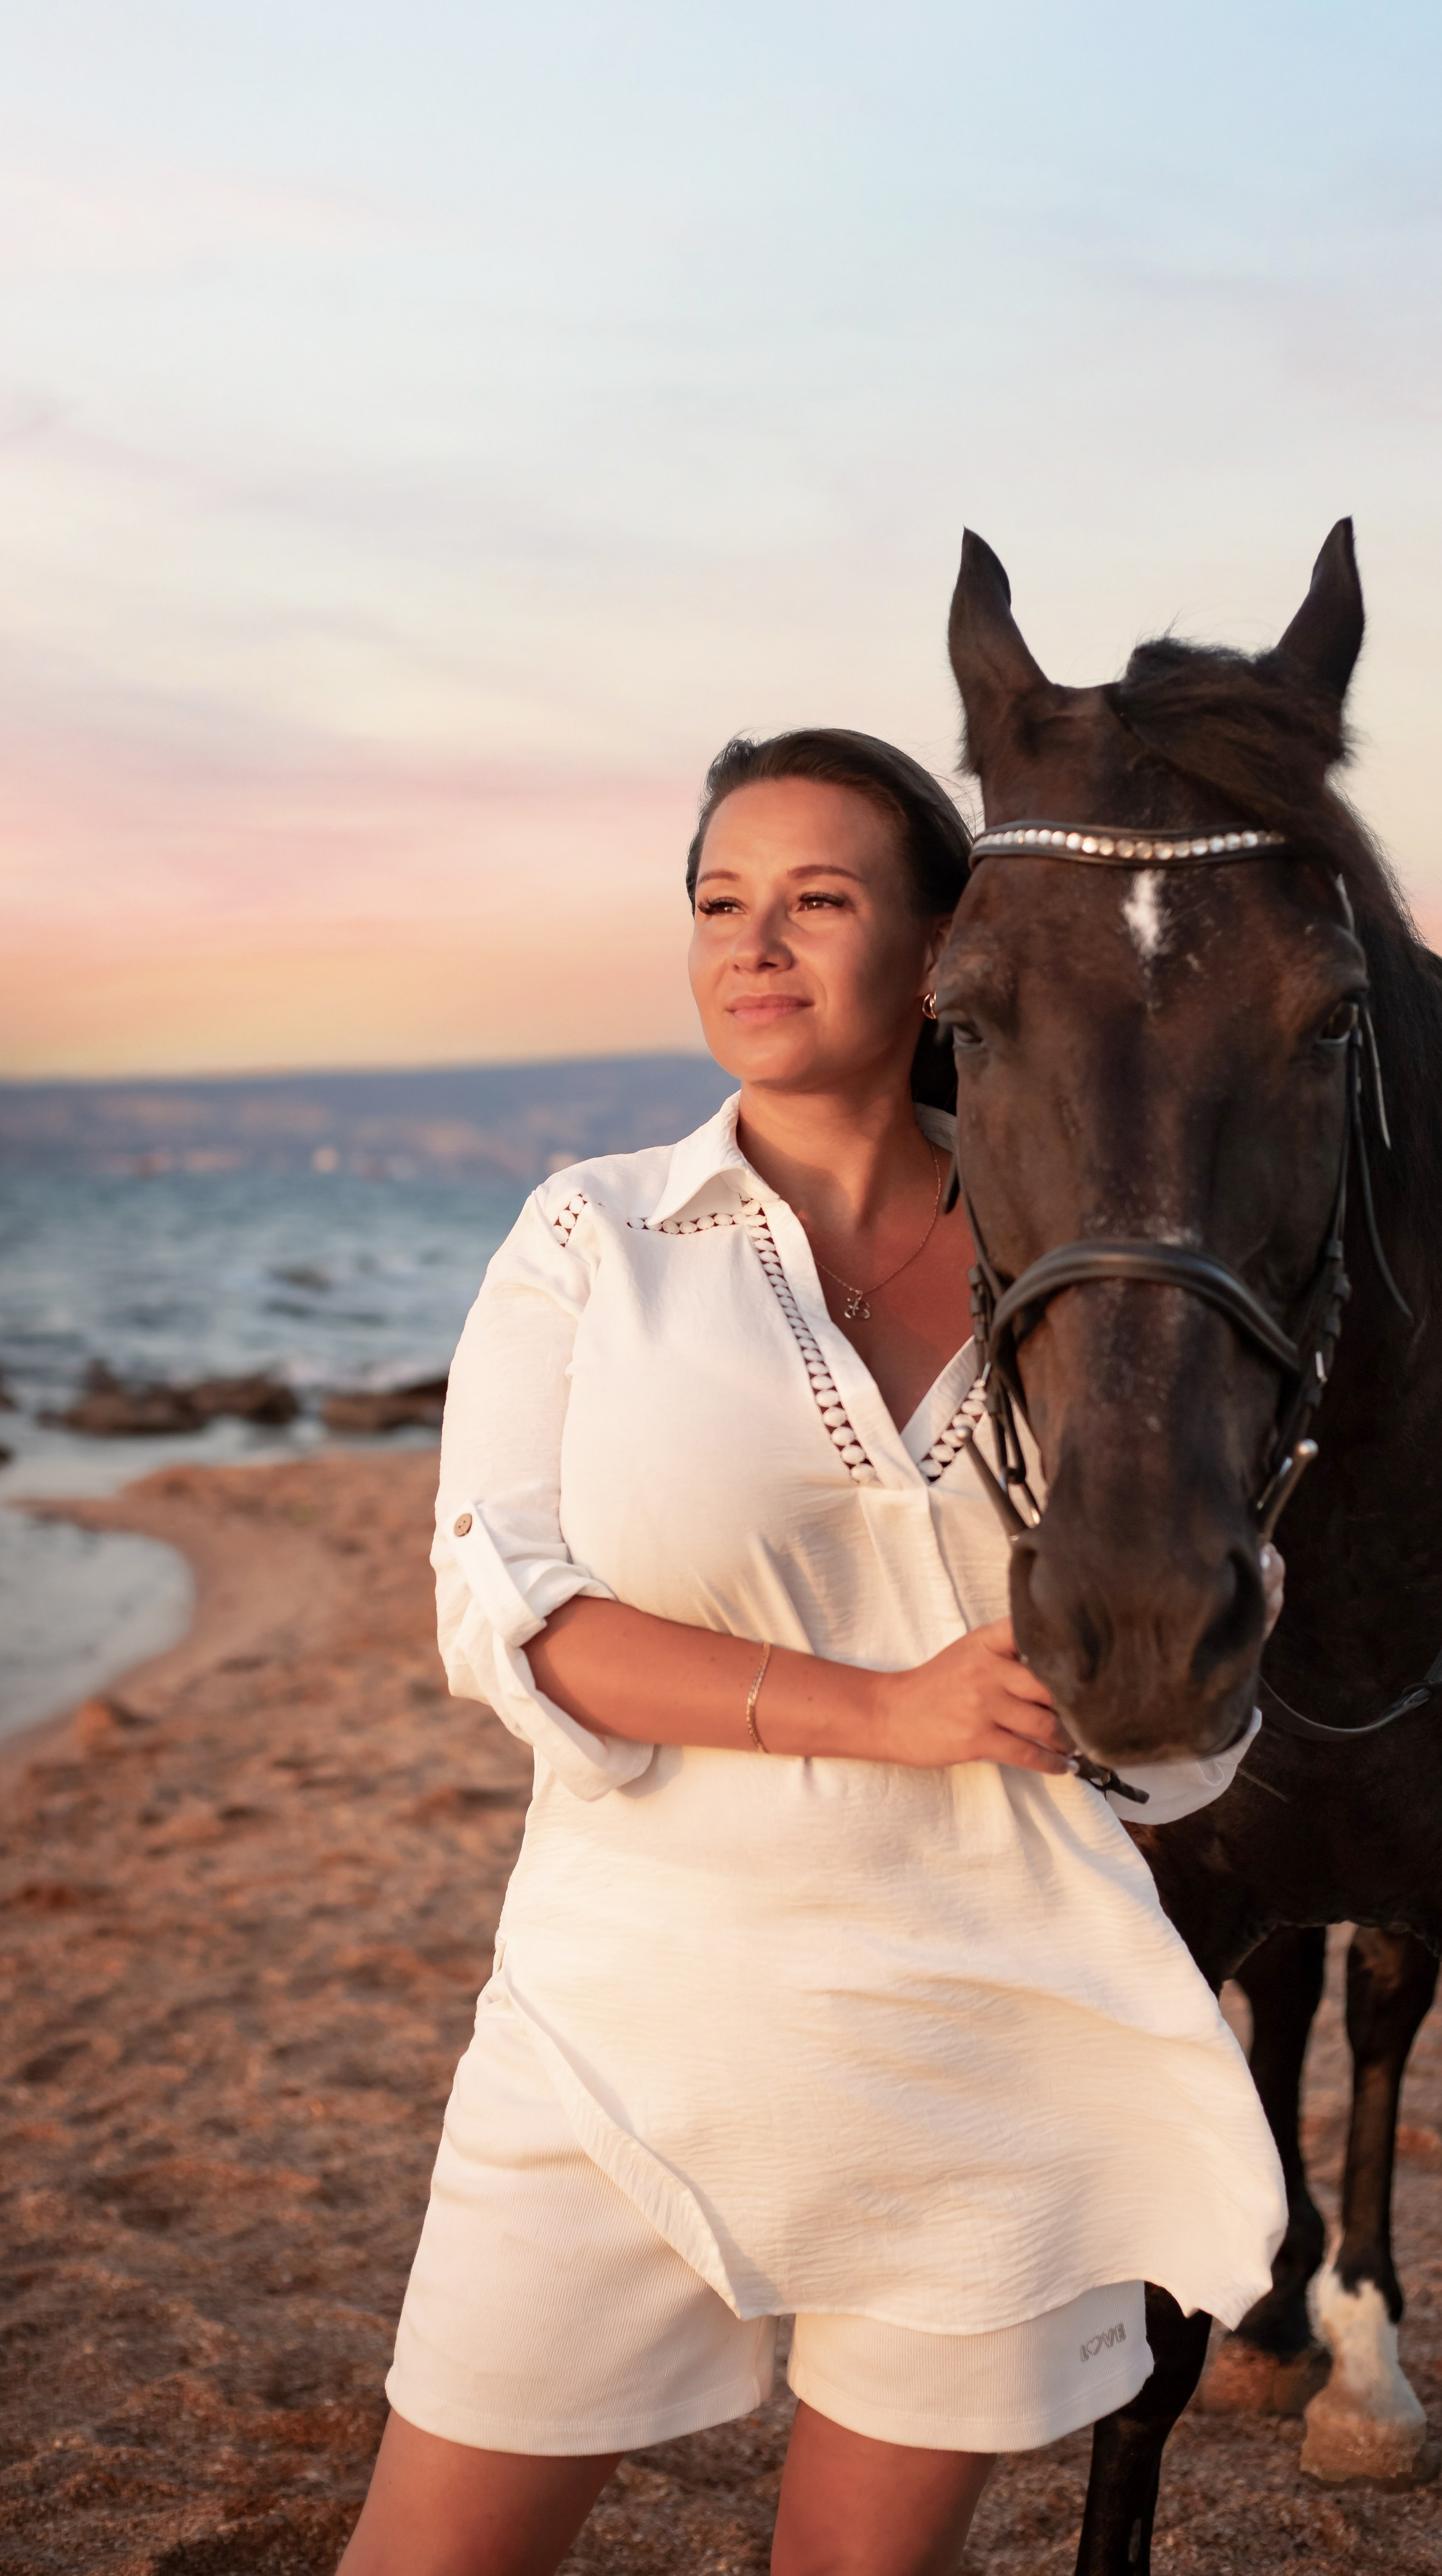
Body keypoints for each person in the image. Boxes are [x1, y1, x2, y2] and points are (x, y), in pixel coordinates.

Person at [338, 730, 1287, 2576]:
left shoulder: (1093, 1261)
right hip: (626, 2031)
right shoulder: (596, 1234)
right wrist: (893, 1710)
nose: (753, 945)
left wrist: (1154, 1692)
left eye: (819, 901)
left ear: (942, 950)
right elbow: (511, 1615)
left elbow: (1190, 1702)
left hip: (992, 2036)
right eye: (721, 904)